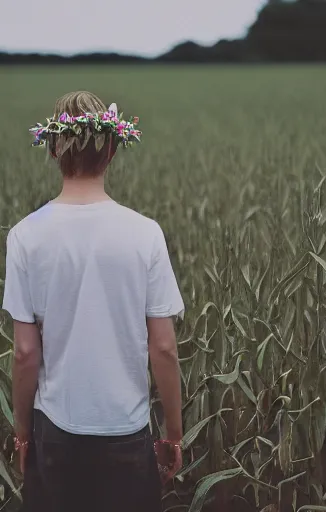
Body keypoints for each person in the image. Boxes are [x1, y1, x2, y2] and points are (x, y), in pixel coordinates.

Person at [2, 91, 185, 512]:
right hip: (127, 432)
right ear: (111, 150)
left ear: (52, 148)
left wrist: (23, 435)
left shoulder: (25, 236)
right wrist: (172, 434)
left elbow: (25, 352)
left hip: (55, 436)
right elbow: (163, 348)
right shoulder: (145, 233)